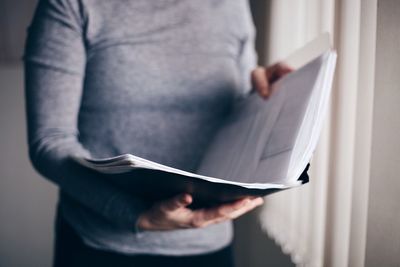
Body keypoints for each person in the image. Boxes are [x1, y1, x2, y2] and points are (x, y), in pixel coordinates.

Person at [24, 0, 291, 266]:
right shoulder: (72, 6)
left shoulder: (232, 6)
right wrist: (136, 214)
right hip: (101, 245)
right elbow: (50, 141)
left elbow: (233, 113)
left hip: (208, 246)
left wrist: (265, 97)